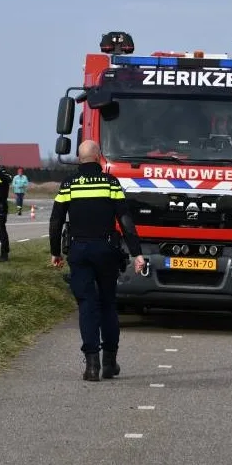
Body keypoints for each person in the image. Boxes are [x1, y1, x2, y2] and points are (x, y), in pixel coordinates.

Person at [49, 140, 146, 382]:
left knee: (86, 306)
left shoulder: (69, 184)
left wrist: (55, 252)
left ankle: (91, 365)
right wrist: (137, 253)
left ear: (79, 158)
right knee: (107, 305)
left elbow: (56, 220)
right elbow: (125, 220)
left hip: (79, 250)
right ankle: (109, 363)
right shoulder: (111, 183)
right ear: (99, 157)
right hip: (106, 249)